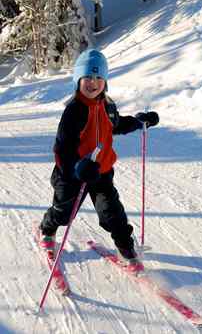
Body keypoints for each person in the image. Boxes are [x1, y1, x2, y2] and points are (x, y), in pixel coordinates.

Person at [39, 49, 159, 264]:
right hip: (73, 174)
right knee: (64, 213)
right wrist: (77, 168)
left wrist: (140, 121)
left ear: (105, 81)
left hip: (101, 172)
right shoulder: (73, 111)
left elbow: (117, 124)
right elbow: (62, 149)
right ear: (78, 80)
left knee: (112, 214)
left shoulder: (108, 107)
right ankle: (47, 229)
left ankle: (126, 250)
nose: (92, 83)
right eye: (87, 77)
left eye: (98, 78)